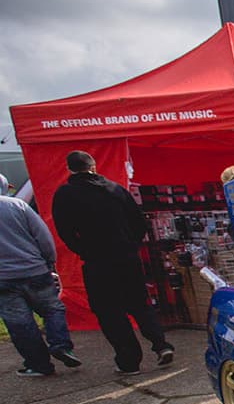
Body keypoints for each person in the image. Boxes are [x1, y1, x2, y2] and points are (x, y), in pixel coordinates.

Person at [51, 151, 174, 374]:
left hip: (98, 260)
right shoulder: (114, 189)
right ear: (93, 166)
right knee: (139, 303)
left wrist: (83, 249)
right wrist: (131, 244)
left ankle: (129, 360)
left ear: (69, 169)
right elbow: (138, 222)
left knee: (109, 312)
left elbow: (64, 231)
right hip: (126, 256)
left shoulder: (65, 194)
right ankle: (161, 343)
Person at [0, 192, 81, 376]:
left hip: (3, 280)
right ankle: (61, 346)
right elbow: (42, 236)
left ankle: (39, 365)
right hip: (34, 270)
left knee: (20, 323)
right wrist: (49, 261)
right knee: (52, 310)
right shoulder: (18, 205)